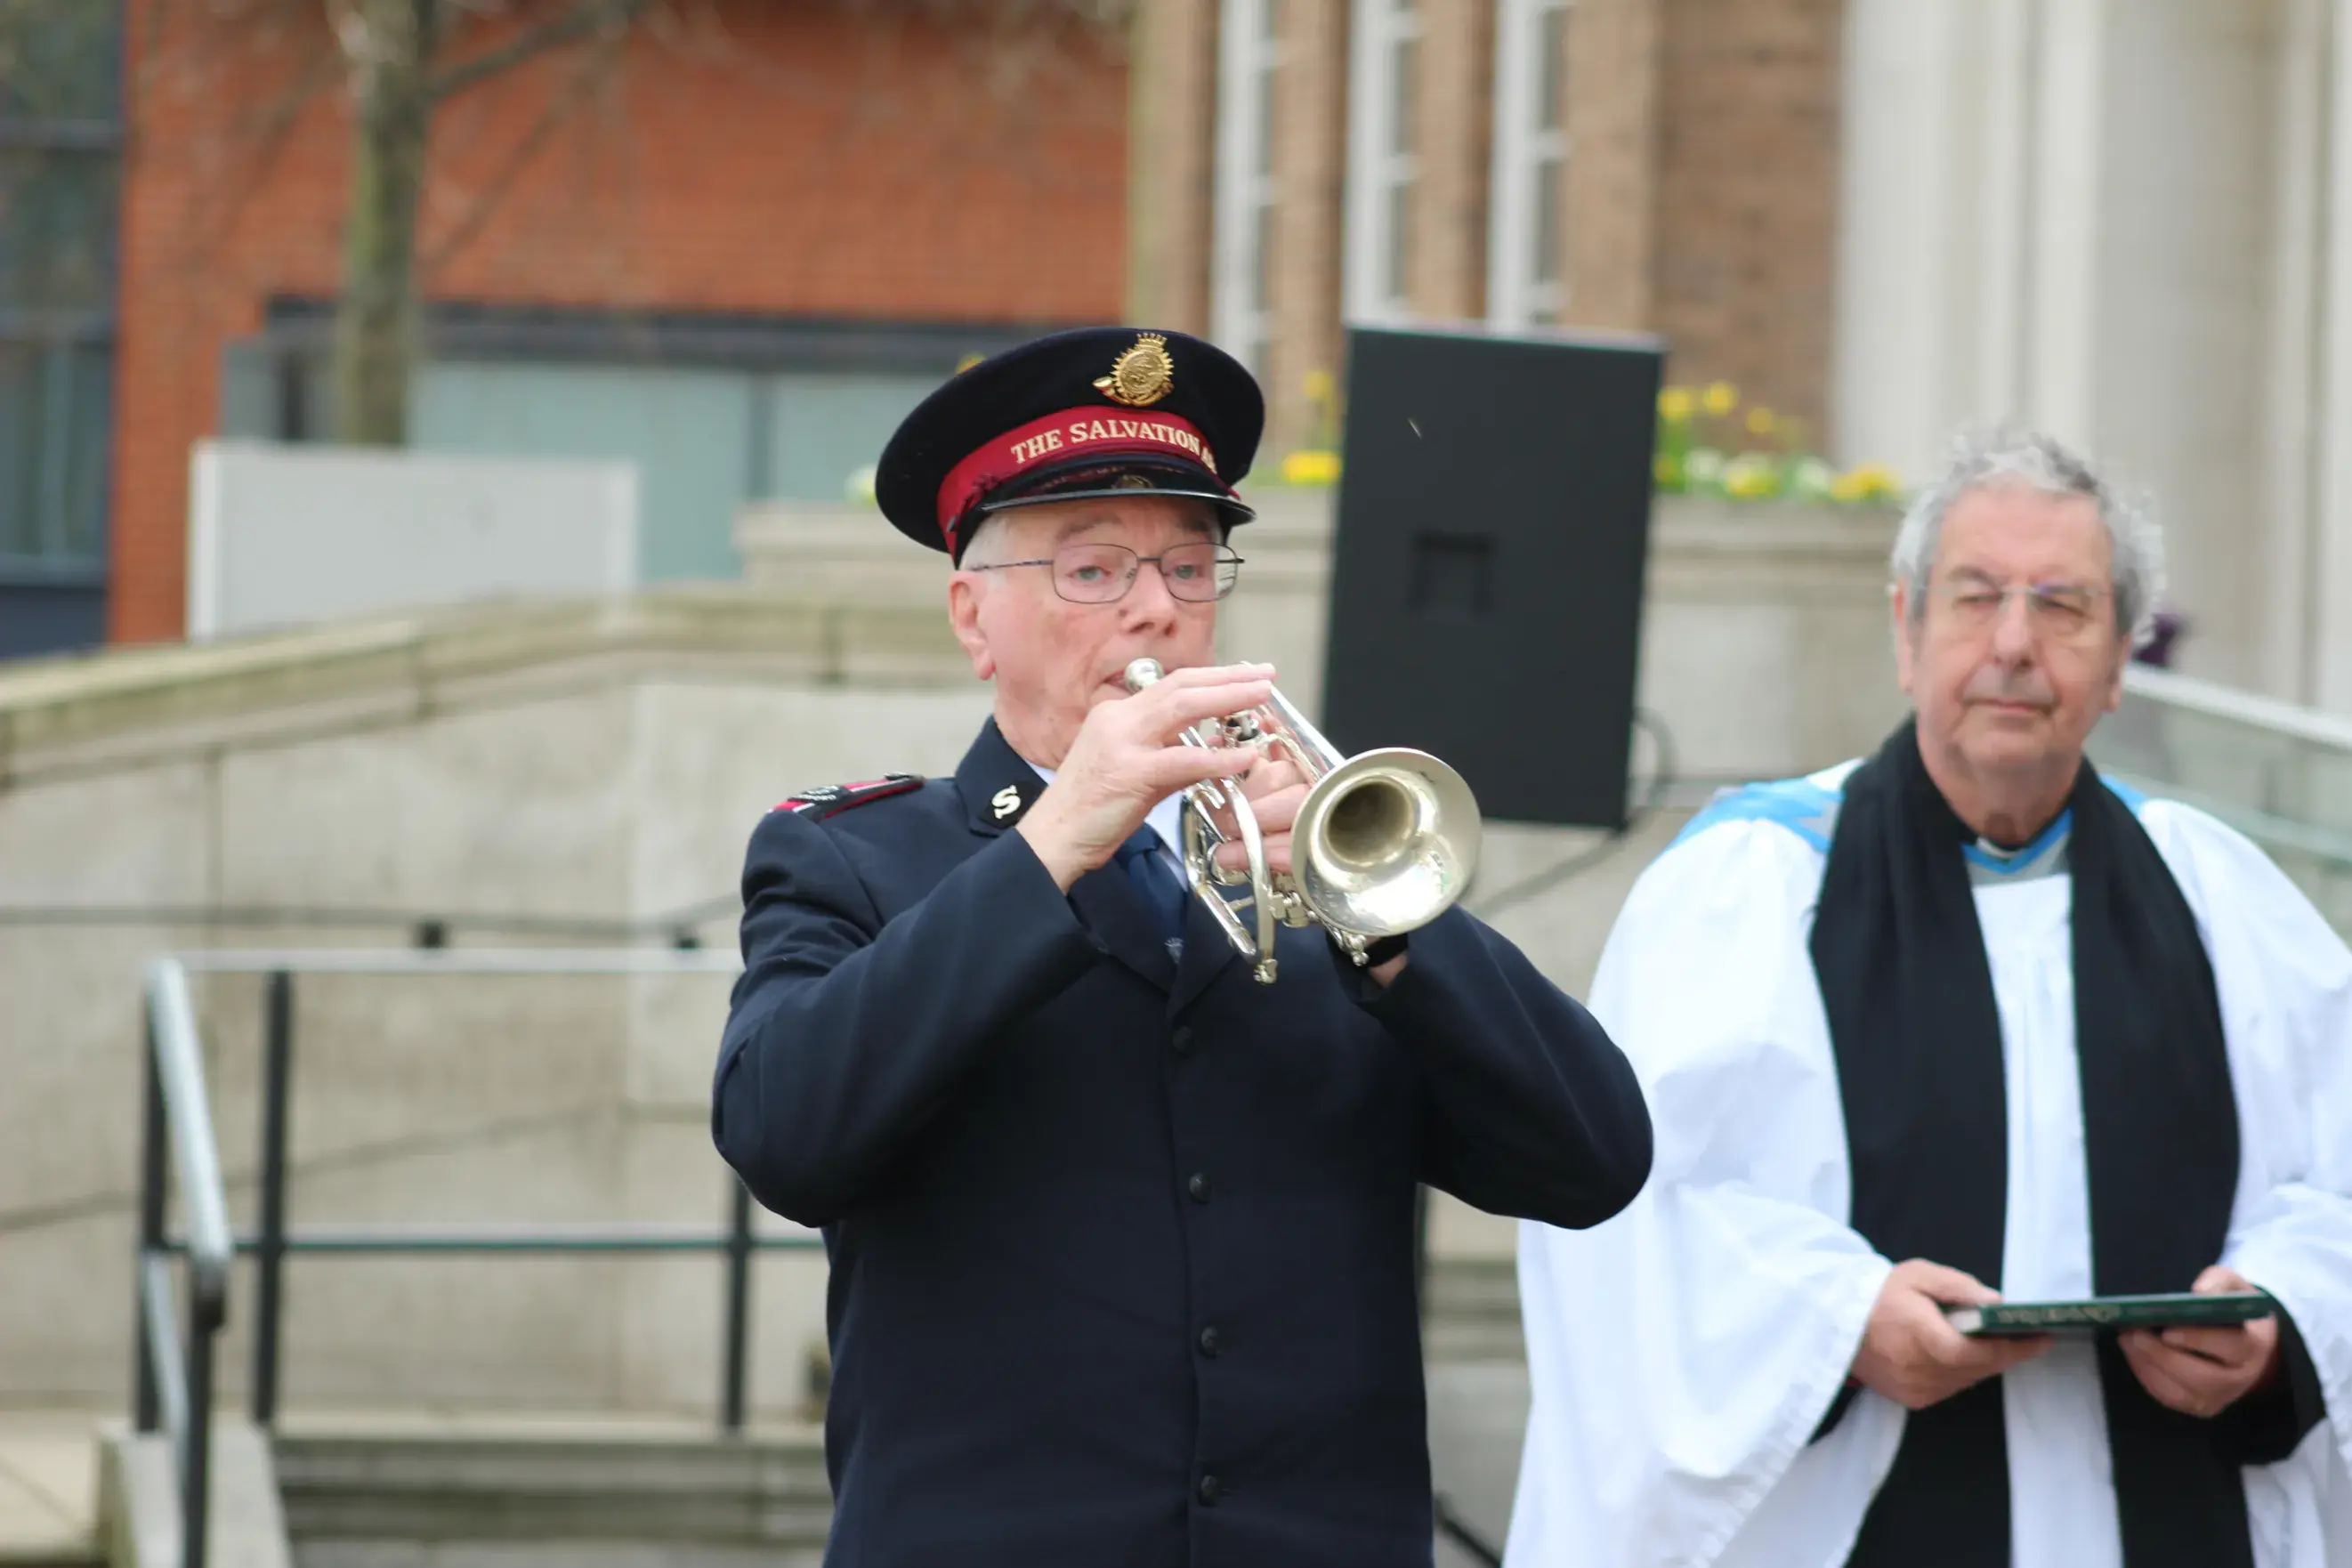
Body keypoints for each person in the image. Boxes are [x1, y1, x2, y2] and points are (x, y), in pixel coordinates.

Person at [711, 327, 1653, 1568]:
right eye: (1094, 569)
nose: (1156, 606)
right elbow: (784, 1133)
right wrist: (1047, 852)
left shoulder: (1322, 873)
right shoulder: (857, 860)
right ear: (972, 615)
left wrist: (1388, 927)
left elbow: (1594, 1160)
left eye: (1189, 564)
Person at [1507, 428, 2352, 1568]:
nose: (2014, 643)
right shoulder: (1751, 887)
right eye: (1976, 597)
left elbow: (2334, 1185)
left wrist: (2277, 1318)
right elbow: (1629, 1207)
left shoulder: (2219, 898)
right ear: (1906, 633)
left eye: (2064, 605)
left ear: (2119, 666)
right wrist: (1838, 1320)